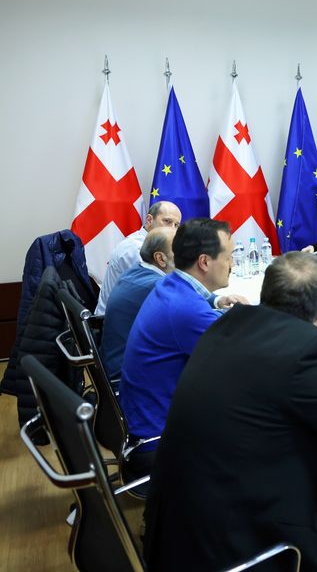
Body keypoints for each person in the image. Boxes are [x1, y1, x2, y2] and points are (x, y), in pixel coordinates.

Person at [143, 252, 317, 571]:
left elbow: (269, 376)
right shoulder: (308, 351)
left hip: (176, 537)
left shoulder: (226, 326)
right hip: (244, 552)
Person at [117, 218, 246, 483]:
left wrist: (222, 307)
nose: (232, 264)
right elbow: (248, 361)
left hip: (145, 420)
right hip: (160, 441)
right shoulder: (185, 310)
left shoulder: (171, 285)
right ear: (204, 262)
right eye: (229, 257)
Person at [98, 227, 176, 387]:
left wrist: (216, 300)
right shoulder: (157, 286)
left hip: (117, 366)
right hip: (131, 381)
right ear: (161, 259)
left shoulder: (136, 271)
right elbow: (195, 310)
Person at [95, 200, 182, 314]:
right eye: (167, 221)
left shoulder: (156, 246)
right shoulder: (135, 248)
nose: (172, 229)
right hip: (111, 319)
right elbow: (163, 292)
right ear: (149, 220)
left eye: (176, 225)